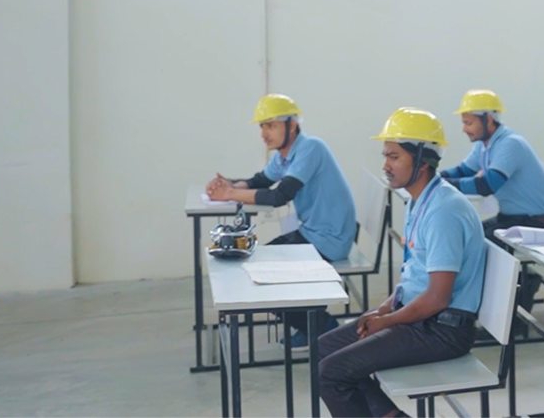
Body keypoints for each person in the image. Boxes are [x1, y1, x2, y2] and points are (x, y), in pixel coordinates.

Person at [317, 107, 487, 418]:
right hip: (422, 317)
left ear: (422, 160)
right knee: (325, 349)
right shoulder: (419, 200)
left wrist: (390, 320)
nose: (386, 165)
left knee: (333, 372)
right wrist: (385, 308)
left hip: (442, 330)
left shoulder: (444, 211)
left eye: (394, 157)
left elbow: (438, 297)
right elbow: (414, 274)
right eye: (386, 156)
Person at [206, 94, 353, 349]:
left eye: (271, 125)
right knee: (255, 264)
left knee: (262, 273)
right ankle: (311, 324)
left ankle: (323, 328)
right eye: (262, 126)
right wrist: (230, 185)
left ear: (291, 125)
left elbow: (279, 196)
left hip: (330, 239)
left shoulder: (311, 148)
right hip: (313, 232)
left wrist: (229, 194)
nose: (264, 134)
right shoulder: (284, 155)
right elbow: (261, 181)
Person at [440, 89, 544, 314]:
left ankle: (511, 300)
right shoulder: (484, 145)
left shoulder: (510, 144)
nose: (464, 129)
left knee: (476, 246)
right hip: (511, 217)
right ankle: (520, 285)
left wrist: (443, 184)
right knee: (469, 237)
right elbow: (462, 171)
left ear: (488, 119)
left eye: (469, 123)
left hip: (533, 222)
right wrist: (434, 177)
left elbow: (487, 185)